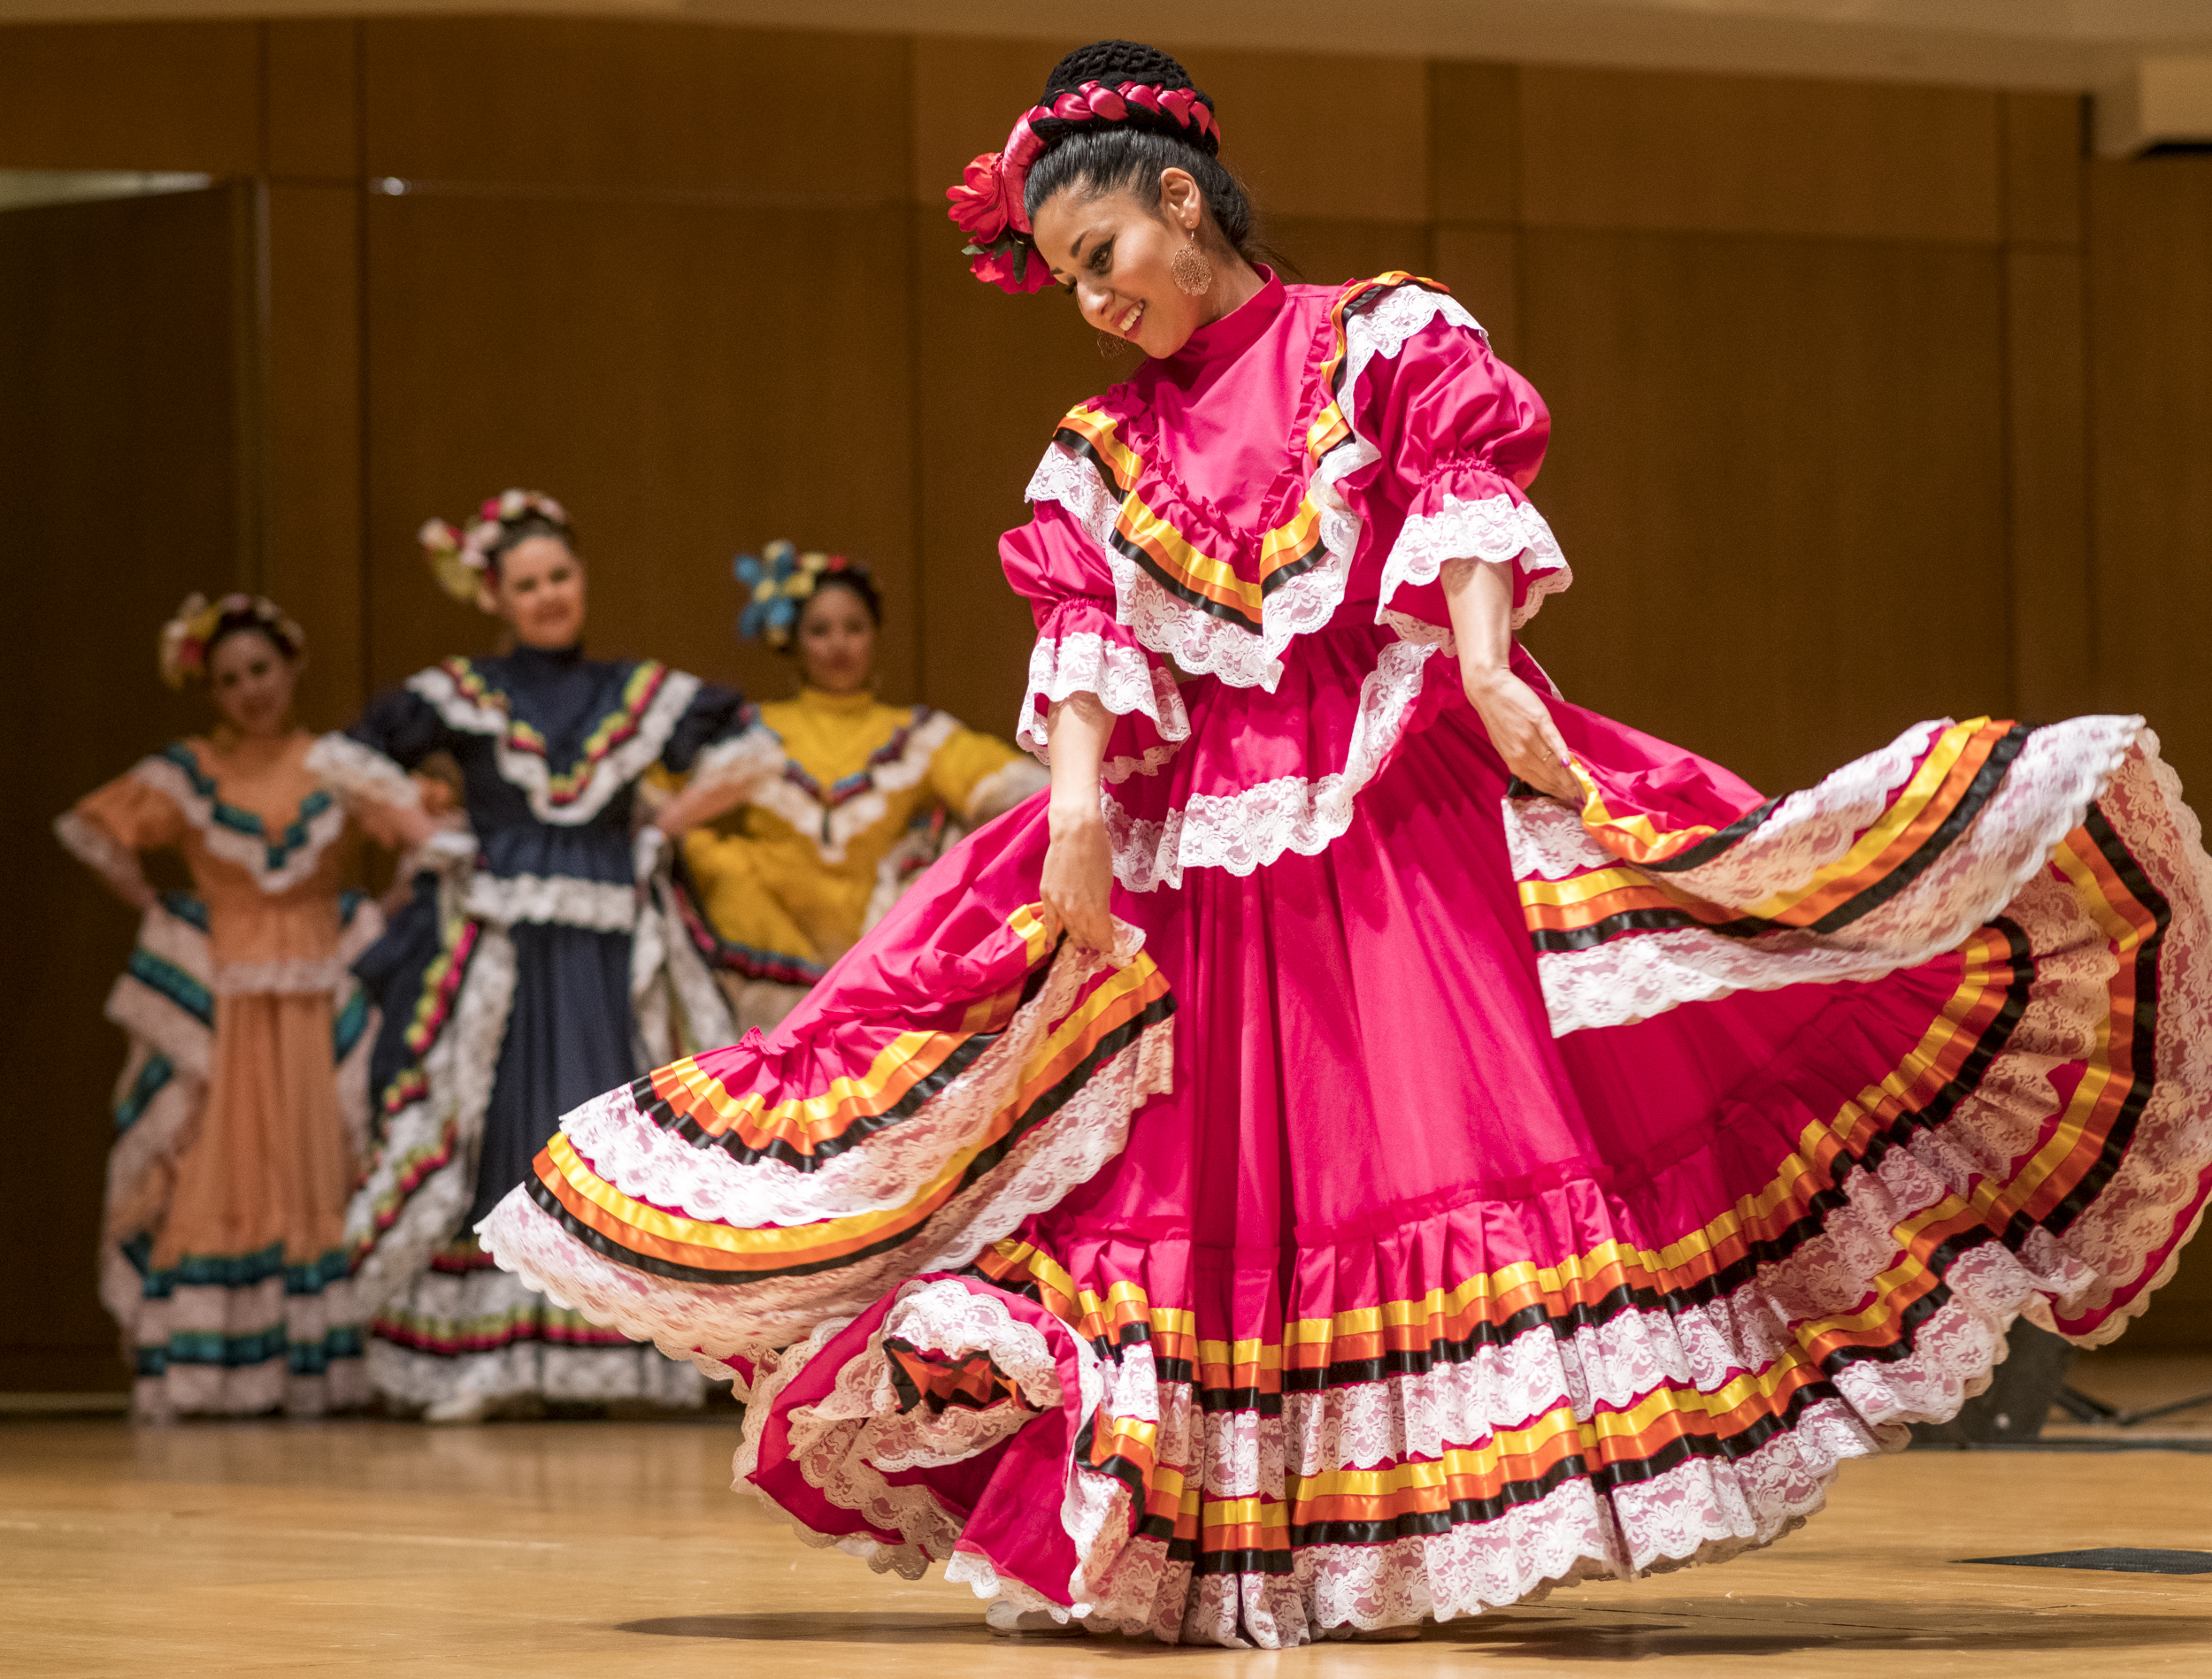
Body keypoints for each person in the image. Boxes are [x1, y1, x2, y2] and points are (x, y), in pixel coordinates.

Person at [479, 43, 2212, 1646]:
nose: (1092, 303)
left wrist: (1482, 667)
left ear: (1181, 200)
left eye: (1102, 254)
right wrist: (1073, 806)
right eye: (1064, 277)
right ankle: (1234, 1532)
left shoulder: (1371, 337)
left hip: (1395, 810)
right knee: (1152, 1166)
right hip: (1197, 864)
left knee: (1430, 1142)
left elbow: (1458, 496)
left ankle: (1381, 1530)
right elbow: (1085, 637)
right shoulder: (1102, 447)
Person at [308, 490, 769, 1423]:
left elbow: (750, 746)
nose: (548, 594)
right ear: (496, 595)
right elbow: (347, 755)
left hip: (610, 943)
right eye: (527, 582)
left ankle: (612, 1339)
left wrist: (668, 818)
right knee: (501, 1120)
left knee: (610, 1113)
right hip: (504, 944)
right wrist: (413, 817)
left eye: (559, 574)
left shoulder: (629, 690)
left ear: (580, 578)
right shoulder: (466, 690)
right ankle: (491, 1352)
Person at [56, 594, 386, 1421]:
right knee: (213, 1155)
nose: (250, 689)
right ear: (212, 691)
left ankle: (308, 1368)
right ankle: (220, 1371)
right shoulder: (195, 770)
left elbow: (422, 828)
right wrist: (164, 914)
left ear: (290, 667)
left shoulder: (336, 763)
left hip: (315, 985)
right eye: (231, 677)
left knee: (322, 1160)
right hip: (227, 996)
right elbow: (96, 829)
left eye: (261, 670)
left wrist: (392, 911)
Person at [653, 542, 1046, 1031]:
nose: (839, 644)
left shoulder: (915, 734)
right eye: (820, 630)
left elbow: (1001, 781)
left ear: (874, 634)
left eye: (853, 627)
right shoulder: (753, 730)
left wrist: (1080, 795)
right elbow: (656, 793)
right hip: (765, 938)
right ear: (793, 641)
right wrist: (716, 862)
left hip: (877, 940)